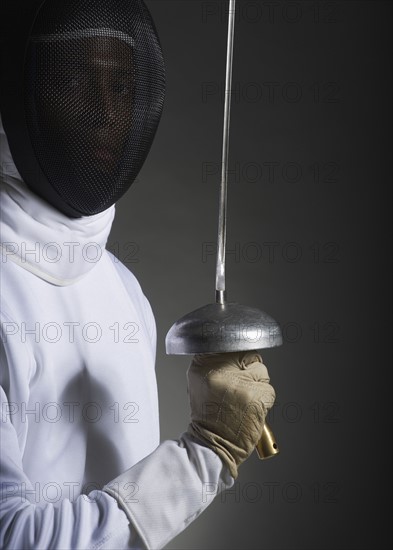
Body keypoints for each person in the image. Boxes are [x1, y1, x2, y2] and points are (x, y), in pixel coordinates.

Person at [0, 1, 276, 548]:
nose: (107, 113)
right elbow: (12, 535)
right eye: (78, 85)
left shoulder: (122, 289)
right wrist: (205, 455)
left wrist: (208, 447)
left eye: (121, 87)